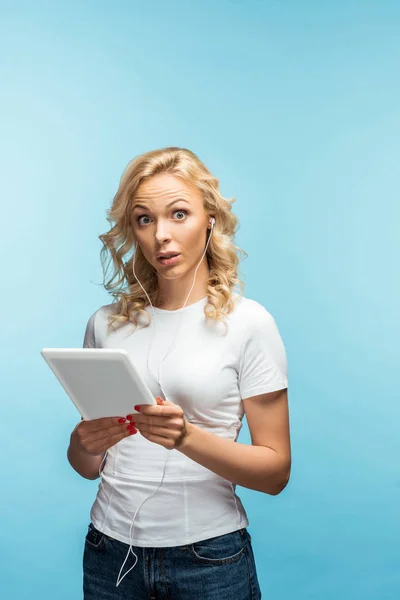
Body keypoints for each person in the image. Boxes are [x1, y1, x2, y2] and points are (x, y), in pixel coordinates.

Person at [67, 146, 291, 599]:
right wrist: (82, 443)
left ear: (210, 217)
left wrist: (186, 437)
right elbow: (87, 467)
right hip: (109, 554)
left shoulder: (249, 323)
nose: (160, 236)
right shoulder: (105, 324)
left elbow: (275, 472)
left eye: (179, 214)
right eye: (144, 219)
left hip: (208, 559)